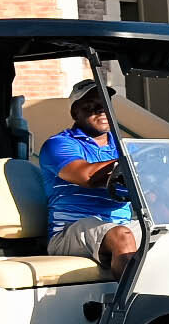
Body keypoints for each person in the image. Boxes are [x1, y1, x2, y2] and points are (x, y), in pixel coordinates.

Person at [39, 82, 141, 278]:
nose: (101, 109)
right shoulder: (59, 144)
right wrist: (135, 161)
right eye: (91, 104)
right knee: (122, 236)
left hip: (121, 225)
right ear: (75, 112)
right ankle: (132, 298)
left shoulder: (123, 147)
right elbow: (86, 176)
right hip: (69, 230)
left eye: (105, 103)